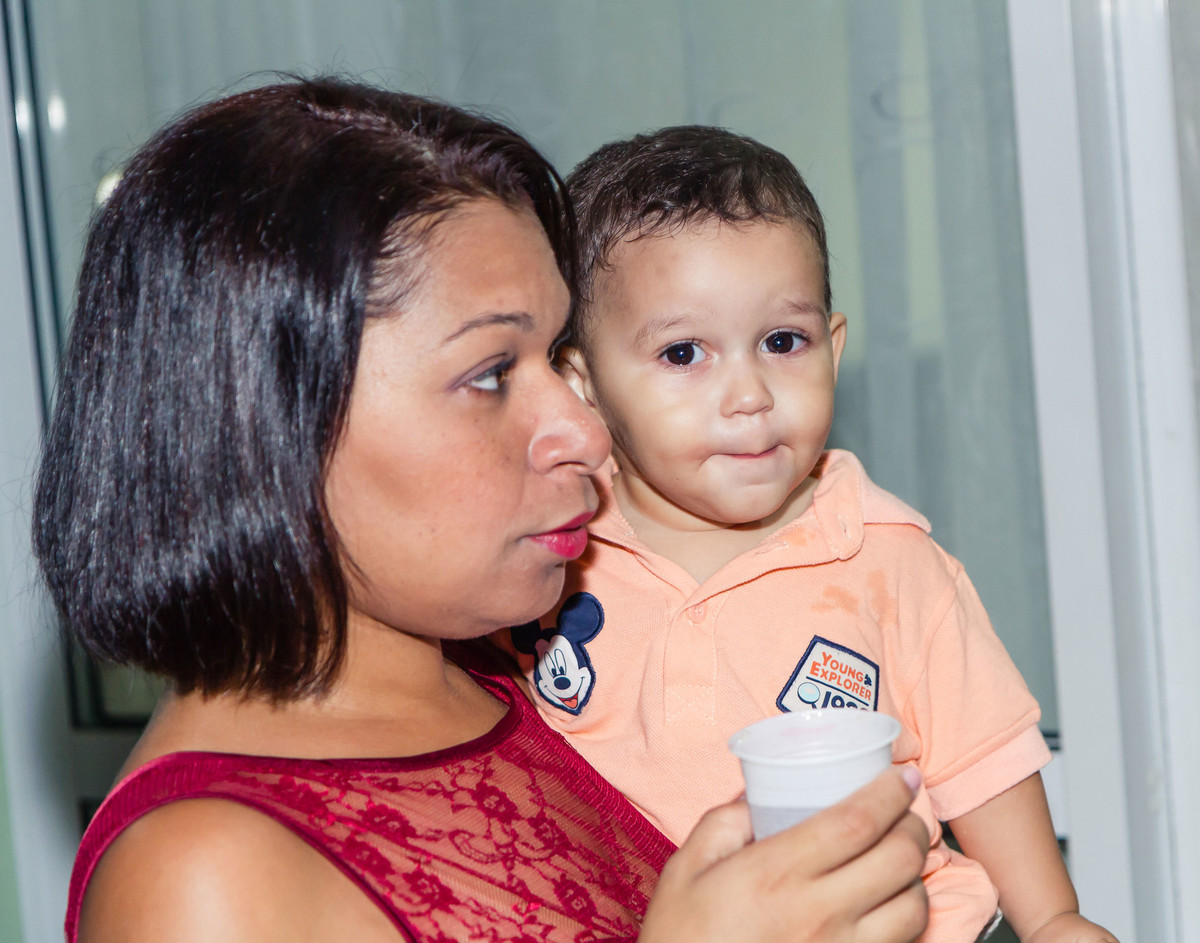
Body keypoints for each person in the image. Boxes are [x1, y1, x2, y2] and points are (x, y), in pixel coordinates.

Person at [32, 78, 931, 942]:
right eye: (493, 373)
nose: (585, 429)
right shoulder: (200, 876)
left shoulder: (515, 675)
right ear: (266, 422)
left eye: (558, 357)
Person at [506, 127, 1117, 943]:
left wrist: (1050, 918)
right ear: (583, 382)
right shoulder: (548, 552)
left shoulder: (888, 557)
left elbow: (987, 755)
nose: (749, 393)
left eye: (782, 342)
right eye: (684, 352)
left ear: (833, 348)